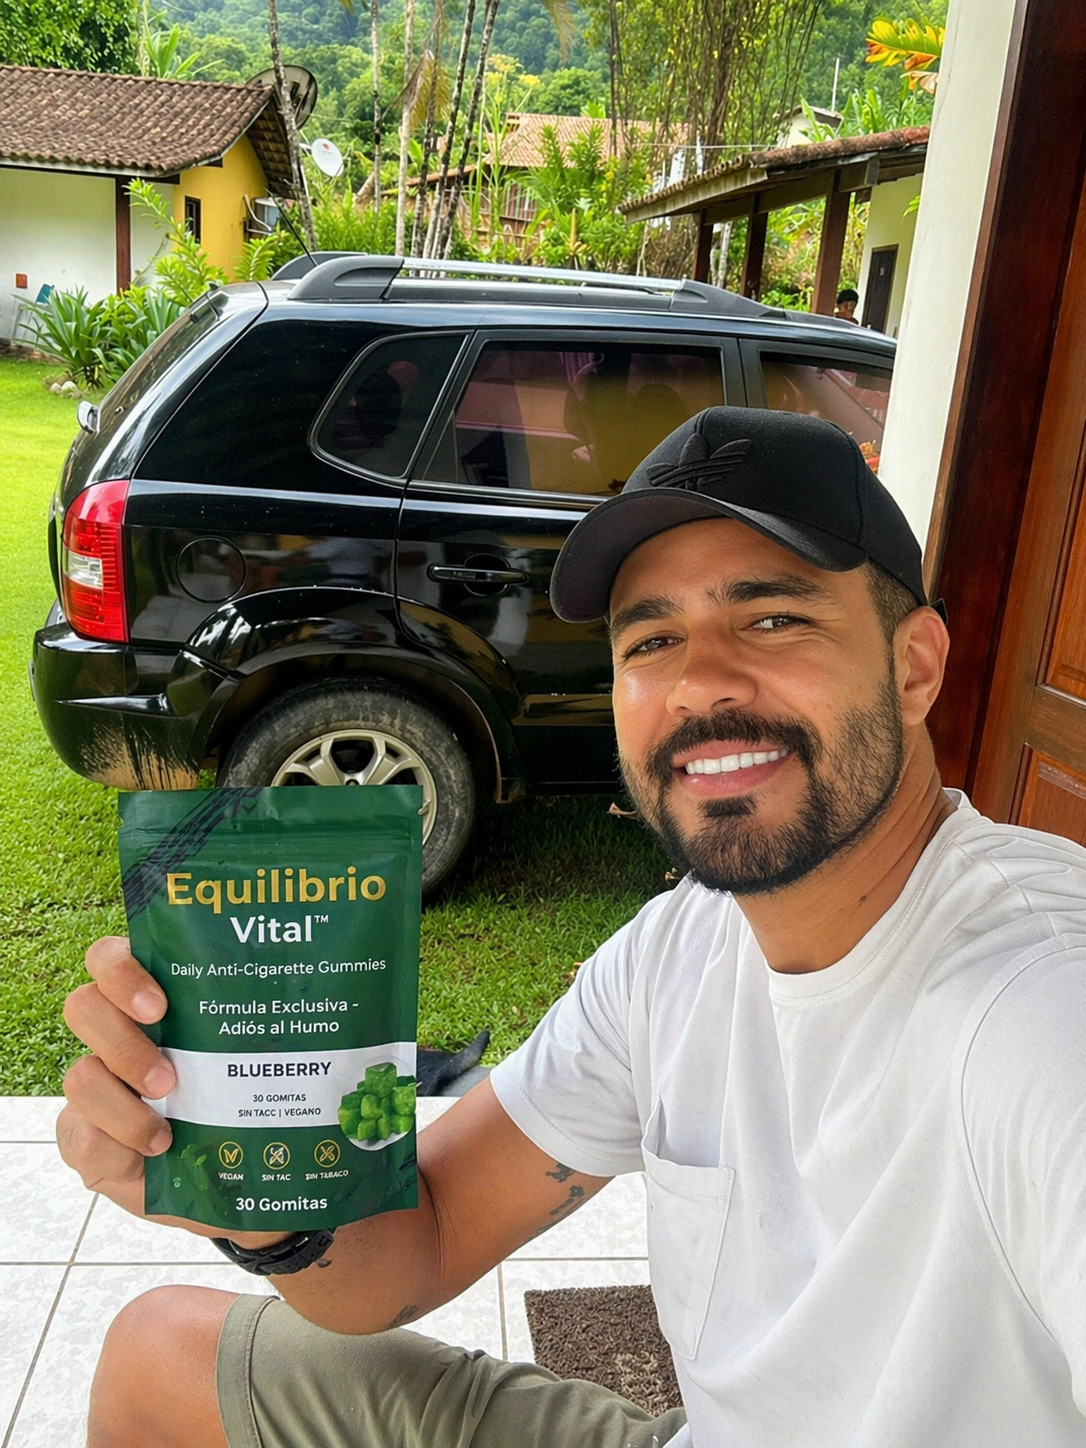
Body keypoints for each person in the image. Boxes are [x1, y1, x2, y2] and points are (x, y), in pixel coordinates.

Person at [59, 407, 1086, 1448]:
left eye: (774, 619)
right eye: (653, 639)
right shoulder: (675, 953)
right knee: (159, 1356)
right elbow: (420, 1241)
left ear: (914, 667)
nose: (697, 683)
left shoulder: (1040, 1012)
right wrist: (259, 1194)